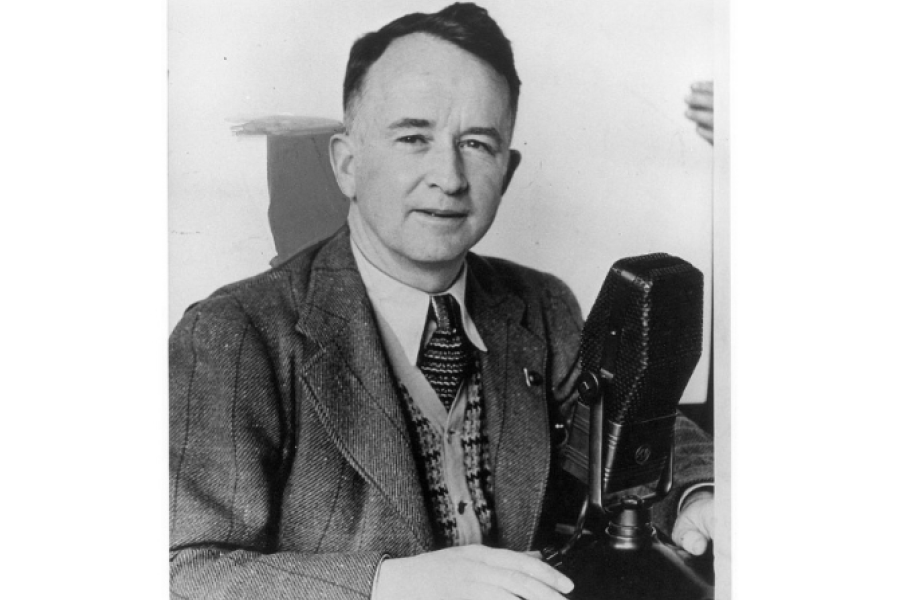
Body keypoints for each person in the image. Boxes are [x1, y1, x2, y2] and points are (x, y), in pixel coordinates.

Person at [169, 4, 714, 599]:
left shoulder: (541, 306)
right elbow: (182, 570)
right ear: (347, 164)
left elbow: (631, 419)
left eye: (477, 144)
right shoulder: (234, 334)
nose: (449, 177)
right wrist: (386, 586)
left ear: (506, 172)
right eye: (413, 137)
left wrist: (700, 493)